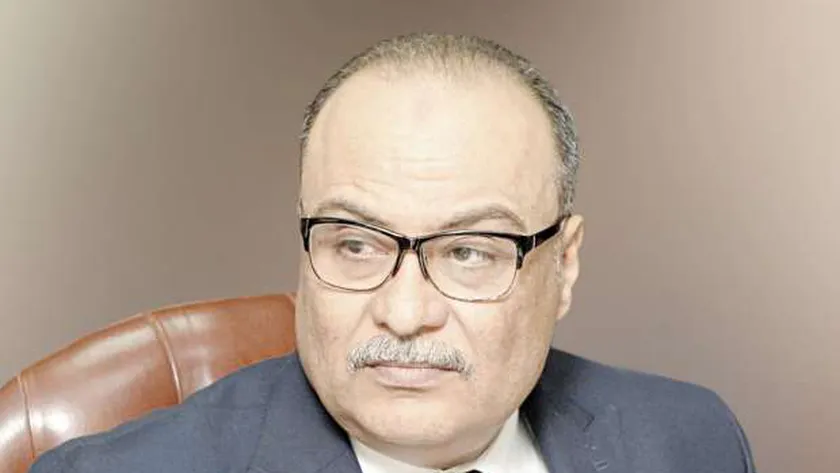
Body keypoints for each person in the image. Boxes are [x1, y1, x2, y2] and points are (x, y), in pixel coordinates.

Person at [30, 33, 755, 473]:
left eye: (469, 252)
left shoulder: (689, 439)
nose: (404, 313)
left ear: (563, 266)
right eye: (355, 243)